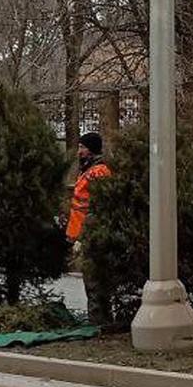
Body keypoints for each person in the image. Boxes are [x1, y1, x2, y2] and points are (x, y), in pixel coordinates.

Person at [67, 131, 112, 325]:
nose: (79, 151)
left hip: (90, 233)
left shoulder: (98, 172)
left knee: (94, 281)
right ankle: (99, 319)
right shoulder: (87, 170)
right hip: (83, 232)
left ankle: (98, 321)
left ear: (91, 149)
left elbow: (98, 206)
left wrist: (85, 236)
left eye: (82, 147)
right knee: (91, 280)